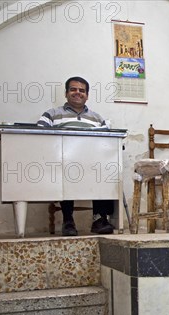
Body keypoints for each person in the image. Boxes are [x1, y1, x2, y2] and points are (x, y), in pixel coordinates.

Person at [38, 76, 115, 236]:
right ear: (66, 93)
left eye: (82, 90)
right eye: (73, 89)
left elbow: (109, 142)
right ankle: (68, 221)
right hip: (63, 161)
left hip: (92, 162)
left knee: (107, 170)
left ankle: (99, 219)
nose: (77, 93)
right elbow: (40, 137)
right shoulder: (52, 114)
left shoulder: (98, 118)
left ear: (87, 95)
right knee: (67, 170)